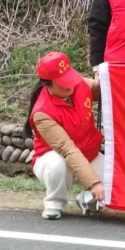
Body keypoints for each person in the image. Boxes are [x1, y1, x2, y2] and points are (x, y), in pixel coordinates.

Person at [25, 52, 105, 221]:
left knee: (117, 182)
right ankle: (54, 203)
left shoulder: (79, 84)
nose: (70, 86)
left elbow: (103, 90)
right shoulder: (42, 113)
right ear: (48, 84)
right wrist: (94, 183)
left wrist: (110, 79)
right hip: (56, 158)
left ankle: (86, 200)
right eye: (63, 83)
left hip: (89, 154)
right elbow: (68, 150)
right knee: (57, 164)